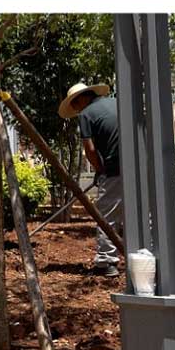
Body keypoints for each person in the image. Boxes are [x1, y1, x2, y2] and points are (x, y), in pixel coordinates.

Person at [59, 81, 122, 277]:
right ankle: (147, 258)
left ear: (82, 99)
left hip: (114, 167)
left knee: (107, 216)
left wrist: (101, 169)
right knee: (142, 213)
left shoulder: (87, 114)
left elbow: (90, 150)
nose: (76, 110)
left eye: (75, 105)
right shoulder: (118, 103)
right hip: (142, 163)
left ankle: (106, 262)